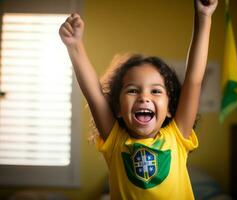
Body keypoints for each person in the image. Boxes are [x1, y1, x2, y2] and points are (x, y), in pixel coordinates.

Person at [59, 0, 218, 199]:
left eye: (156, 91)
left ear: (170, 108)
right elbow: (93, 93)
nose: (144, 97)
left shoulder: (176, 137)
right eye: (133, 90)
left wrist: (203, 17)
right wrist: (75, 46)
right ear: (117, 108)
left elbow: (194, 80)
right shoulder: (115, 140)